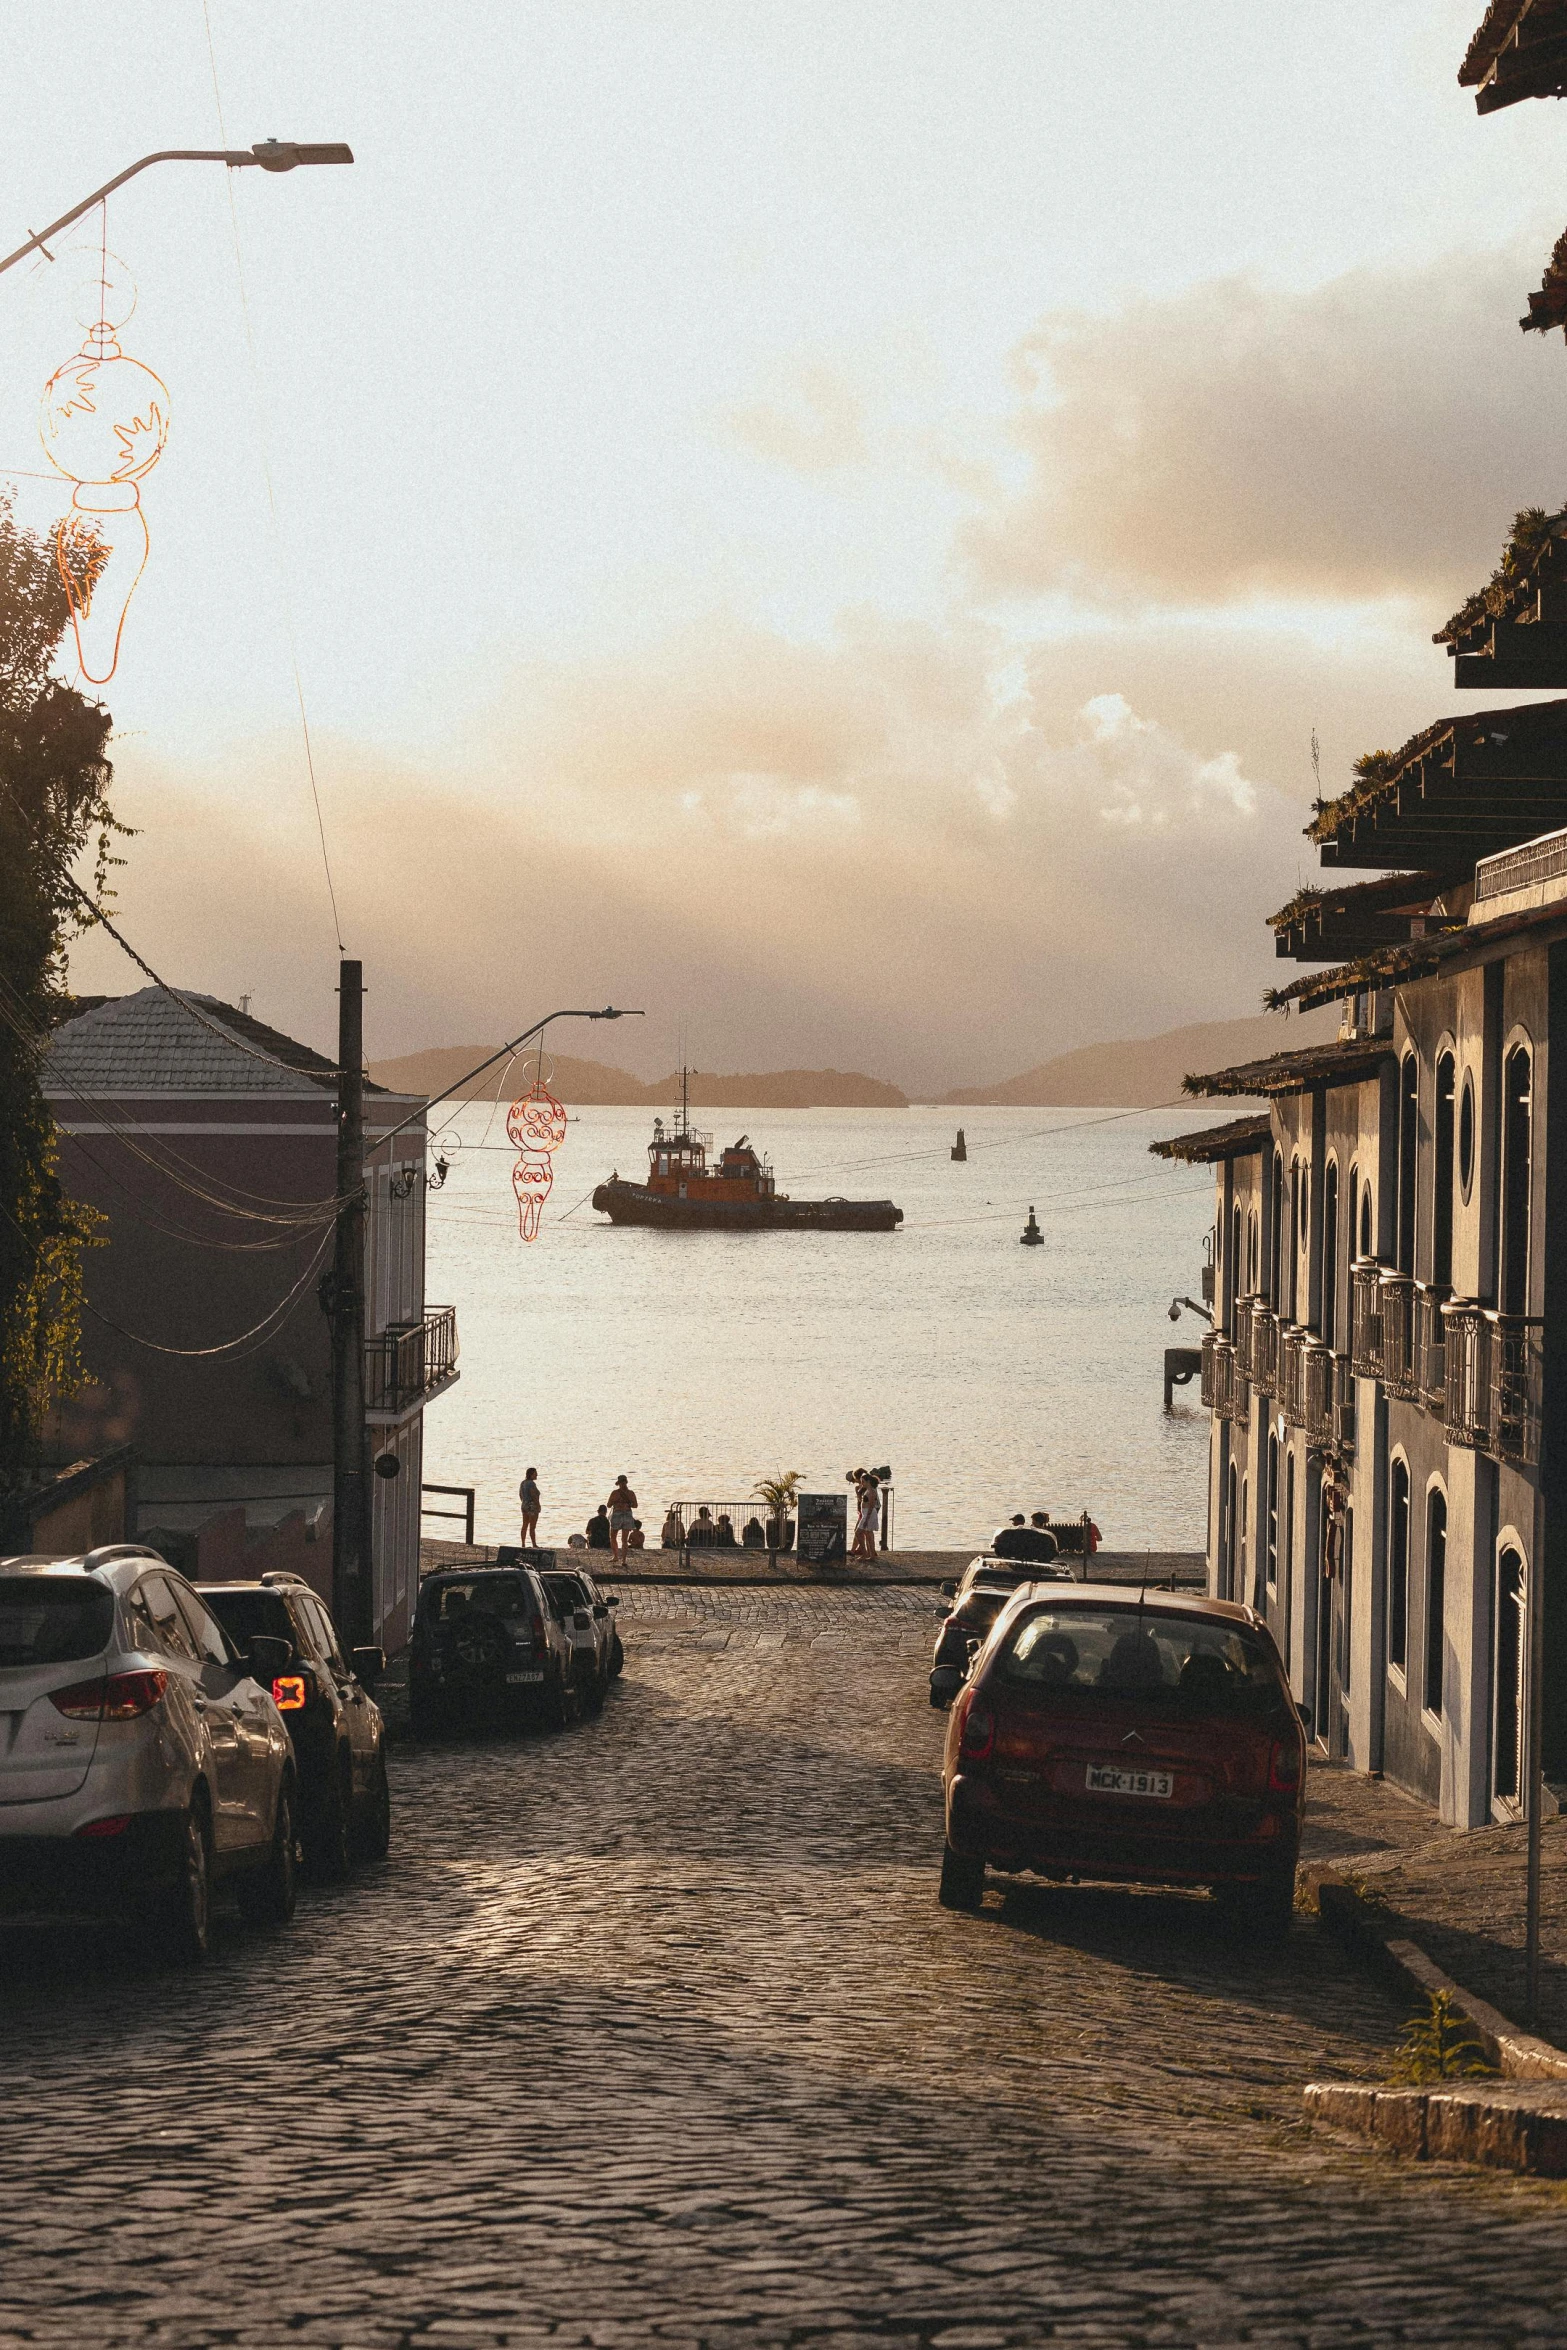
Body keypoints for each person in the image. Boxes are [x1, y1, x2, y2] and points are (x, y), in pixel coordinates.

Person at [607, 1474, 638, 1558]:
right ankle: (624, 1560)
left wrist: (616, 1502)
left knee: (613, 1537)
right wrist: (628, 1504)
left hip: (617, 1514)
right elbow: (635, 1505)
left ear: (619, 1483)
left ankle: (615, 1556)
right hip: (627, 1514)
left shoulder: (615, 1493)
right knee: (624, 1540)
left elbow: (608, 1505)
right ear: (626, 1482)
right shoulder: (631, 1493)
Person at [518, 1466, 541, 1549]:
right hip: (532, 1506)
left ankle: (523, 1543)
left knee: (524, 1525)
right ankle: (534, 1544)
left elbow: (520, 1495)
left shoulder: (523, 1483)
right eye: (535, 1473)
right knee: (532, 1526)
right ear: (531, 1474)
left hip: (524, 1505)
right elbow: (533, 1494)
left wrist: (524, 1502)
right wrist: (538, 1505)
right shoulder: (531, 1483)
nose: (537, 1475)